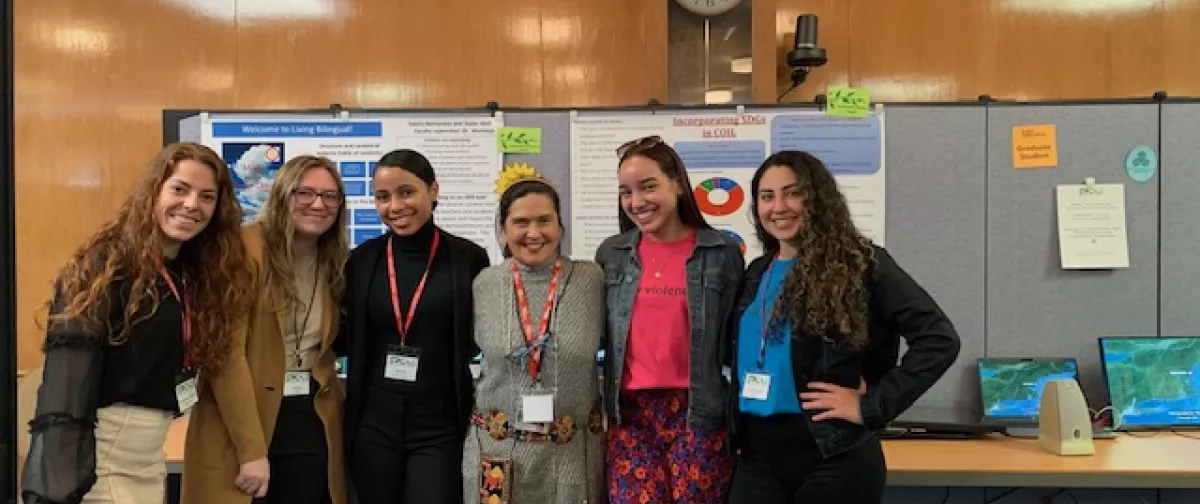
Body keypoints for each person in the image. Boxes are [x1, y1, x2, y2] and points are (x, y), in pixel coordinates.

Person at [21, 143, 254, 504]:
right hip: (100, 458)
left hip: (149, 457)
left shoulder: (193, 272)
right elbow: (65, 386)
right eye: (179, 189)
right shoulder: (105, 266)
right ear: (153, 192)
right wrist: (57, 482)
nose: (193, 204)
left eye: (207, 196)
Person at [726, 150, 961, 504]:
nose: (779, 207)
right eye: (767, 196)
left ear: (818, 199)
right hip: (758, 456)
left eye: (793, 193)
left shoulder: (862, 264)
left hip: (833, 453)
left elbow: (939, 339)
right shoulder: (757, 271)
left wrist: (873, 405)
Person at [181, 155, 350, 504]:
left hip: (311, 419)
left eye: (330, 196)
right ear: (282, 196)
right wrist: (252, 451)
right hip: (244, 420)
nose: (318, 204)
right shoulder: (243, 252)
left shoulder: (335, 260)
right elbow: (226, 357)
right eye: (305, 193)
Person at [594, 136, 744, 504]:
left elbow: (739, 338)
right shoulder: (612, 254)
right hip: (630, 418)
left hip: (699, 412)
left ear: (677, 183)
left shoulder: (720, 252)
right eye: (626, 192)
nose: (636, 202)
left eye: (648, 187)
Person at [340, 149, 490, 503]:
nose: (395, 206)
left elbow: (476, 338)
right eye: (383, 196)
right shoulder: (362, 261)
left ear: (433, 190)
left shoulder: (468, 258)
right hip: (374, 422)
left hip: (438, 424)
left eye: (406, 192)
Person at [463, 172, 606, 504]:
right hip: (497, 456)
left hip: (573, 456)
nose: (533, 233)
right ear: (503, 230)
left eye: (545, 220)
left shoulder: (591, 280)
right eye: (520, 222)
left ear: (560, 227)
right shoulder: (484, 283)